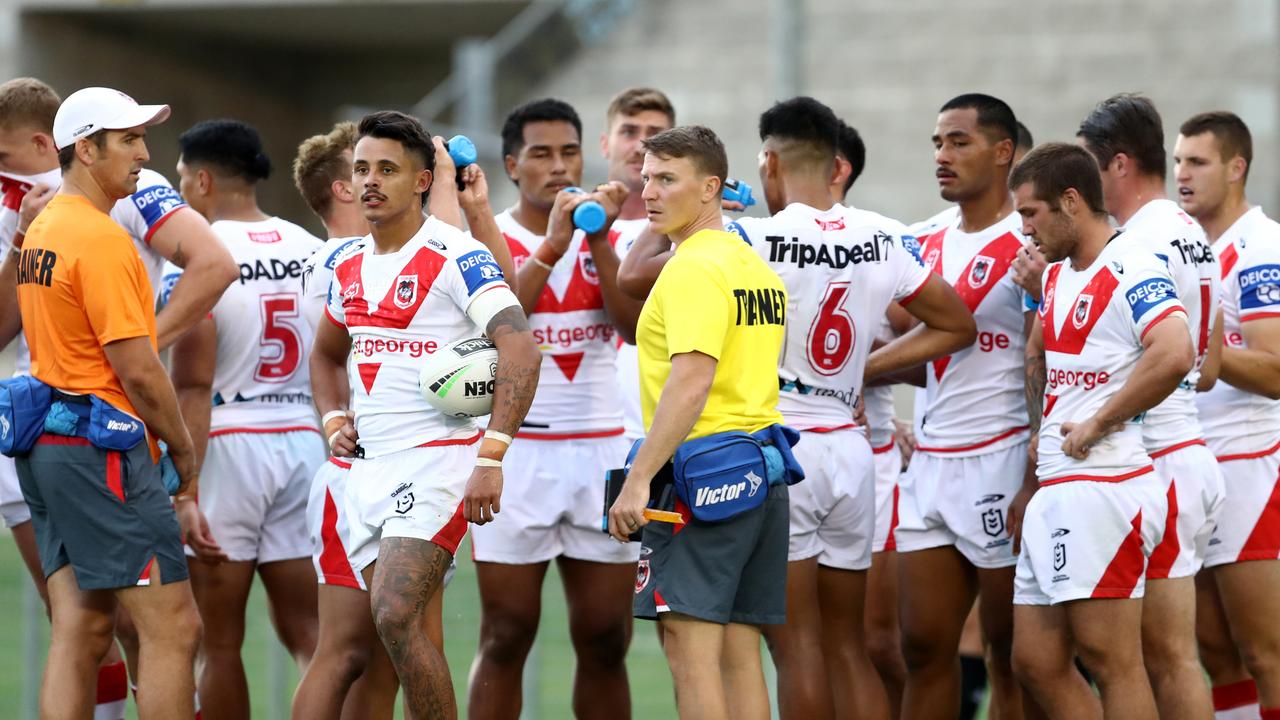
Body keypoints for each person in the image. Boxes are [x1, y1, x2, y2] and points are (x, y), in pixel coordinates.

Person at [727, 96, 975, 720]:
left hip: (785, 448)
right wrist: (859, 371)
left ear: (770, 162)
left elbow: (637, 279)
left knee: (796, 645)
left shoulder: (751, 237)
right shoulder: (884, 236)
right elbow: (956, 325)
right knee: (848, 645)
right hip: (852, 447)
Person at [0, 77, 234, 719]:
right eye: (129, 139)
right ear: (86, 148)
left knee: (81, 627)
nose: (144, 154)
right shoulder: (102, 239)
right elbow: (137, 370)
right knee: (174, 629)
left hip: (45, 446)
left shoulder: (45, 228)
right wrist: (184, 453)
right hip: (101, 452)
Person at [311, 110, 540, 718]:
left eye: (388, 169)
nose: (370, 182)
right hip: (367, 470)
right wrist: (334, 419)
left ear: (421, 180)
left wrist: (492, 455)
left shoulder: (456, 256)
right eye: (361, 169)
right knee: (397, 637)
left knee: (392, 611)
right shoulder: (348, 262)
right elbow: (327, 355)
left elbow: (520, 346)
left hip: (439, 463)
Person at [605, 124, 790, 720]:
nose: (650, 193)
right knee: (740, 655)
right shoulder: (752, 265)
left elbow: (692, 381)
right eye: (647, 179)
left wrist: (639, 479)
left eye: (667, 180)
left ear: (711, 187)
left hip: (703, 477)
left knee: (690, 653)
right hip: (762, 472)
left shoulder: (688, 268)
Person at [469, 98, 643, 720]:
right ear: (512, 165)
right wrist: (551, 247)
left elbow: (633, 330)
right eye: (541, 154)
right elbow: (499, 329)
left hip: (600, 451)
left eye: (569, 152)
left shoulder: (618, 237)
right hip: (517, 453)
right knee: (507, 633)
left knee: (604, 640)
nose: (559, 166)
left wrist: (596, 240)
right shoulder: (488, 238)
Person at [1009, 141, 1194, 720]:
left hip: (1106, 482)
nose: (1025, 230)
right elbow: (1041, 354)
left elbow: (1176, 351)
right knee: (1034, 660)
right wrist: (1043, 434)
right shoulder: (1061, 274)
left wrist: (1098, 421)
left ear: (1070, 202)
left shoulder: (1131, 263)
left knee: (1113, 661)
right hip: (1060, 483)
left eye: (1030, 214)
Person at [164, 118, 326, 720]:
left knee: (219, 643)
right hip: (305, 444)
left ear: (202, 179)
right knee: (312, 635)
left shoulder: (201, 256)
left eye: (182, 180)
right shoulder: (311, 249)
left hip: (228, 447)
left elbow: (194, 383)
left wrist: (185, 486)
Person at [1077, 93, 1224, 720]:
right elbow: (1208, 367)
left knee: (1159, 657)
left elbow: (1169, 354)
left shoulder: (1142, 241)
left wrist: (1102, 418)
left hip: (1155, 456)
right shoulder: (1194, 233)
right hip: (1185, 447)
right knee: (1163, 656)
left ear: (1117, 164)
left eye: (1088, 168)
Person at [894, 93, 1031, 720]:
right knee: (922, 649)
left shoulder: (1031, 242)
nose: (942, 156)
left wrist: (1034, 475)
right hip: (929, 465)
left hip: (1003, 465)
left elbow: (1050, 361)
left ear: (1003, 152)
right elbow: (907, 349)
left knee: (1013, 658)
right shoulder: (918, 241)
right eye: (937, 144)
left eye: (958, 142)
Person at [1177, 111, 1280, 720]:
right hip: (1196, 461)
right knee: (1216, 651)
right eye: (1179, 161)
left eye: (1198, 162)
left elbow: (1274, 371)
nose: (1182, 175)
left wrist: (1207, 348)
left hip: (1249, 464)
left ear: (1236, 168)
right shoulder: (1194, 249)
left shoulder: (1261, 245)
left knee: (1265, 651)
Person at [603, 87, 676, 446]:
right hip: (592, 437)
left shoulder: (694, 237)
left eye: (655, 135)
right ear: (605, 144)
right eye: (629, 131)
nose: (641, 145)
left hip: (662, 432)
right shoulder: (570, 229)